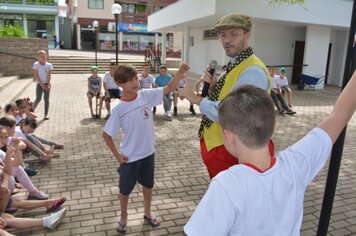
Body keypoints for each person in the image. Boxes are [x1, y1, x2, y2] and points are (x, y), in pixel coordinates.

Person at [184, 70, 356, 235]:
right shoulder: (295, 165)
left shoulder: (226, 186)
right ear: (273, 127)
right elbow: (338, 116)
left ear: (228, 137)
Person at [179, 13, 273, 179]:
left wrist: (197, 99)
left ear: (247, 35)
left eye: (234, 34)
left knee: (234, 200)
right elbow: (227, 98)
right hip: (221, 148)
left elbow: (235, 114)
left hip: (233, 152)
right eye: (223, 35)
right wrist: (214, 86)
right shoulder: (235, 64)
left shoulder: (253, 71)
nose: (227, 40)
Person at [103, 63, 189, 233]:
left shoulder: (145, 95)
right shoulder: (119, 109)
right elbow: (107, 135)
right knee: (125, 190)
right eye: (129, 80)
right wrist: (118, 156)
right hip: (129, 159)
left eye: (135, 78)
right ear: (119, 83)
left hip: (148, 154)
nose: (134, 82)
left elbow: (169, 88)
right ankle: (123, 216)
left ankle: (148, 212)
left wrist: (180, 72)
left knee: (148, 186)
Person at [33, 50, 53, 120]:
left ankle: (46, 114)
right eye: (41, 56)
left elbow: (49, 75)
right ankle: (31, 111)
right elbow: (37, 75)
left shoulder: (49, 65)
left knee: (46, 99)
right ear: (38, 58)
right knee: (38, 98)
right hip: (39, 84)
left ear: (46, 56)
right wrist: (41, 85)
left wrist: (47, 84)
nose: (43, 57)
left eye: (44, 56)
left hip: (46, 84)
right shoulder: (36, 64)